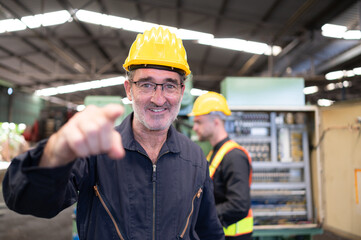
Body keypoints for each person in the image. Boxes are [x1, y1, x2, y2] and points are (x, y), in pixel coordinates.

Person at [2, 27, 225, 240]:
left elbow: (208, 231)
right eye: (147, 85)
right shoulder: (95, 152)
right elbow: (27, 200)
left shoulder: (195, 158)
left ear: (181, 91)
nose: (159, 99)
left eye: (169, 86)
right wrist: (53, 154)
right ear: (129, 89)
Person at [189, 92, 253, 240]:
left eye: (199, 122)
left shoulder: (234, 156)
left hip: (234, 236)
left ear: (216, 121)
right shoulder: (214, 154)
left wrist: (201, 215)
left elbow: (239, 205)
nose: (194, 128)